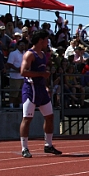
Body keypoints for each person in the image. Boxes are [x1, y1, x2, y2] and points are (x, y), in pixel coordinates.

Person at [19, 30, 62, 158]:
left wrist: (46, 85)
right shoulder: (29, 54)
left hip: (41, 89)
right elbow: (23, 72)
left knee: (50, 116)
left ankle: (48, 145)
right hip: (30, 89)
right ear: (40, 40)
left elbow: (43, 73)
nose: (47, 42)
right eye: (46, 40)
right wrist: (41, 75)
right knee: (27, 118)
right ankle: (24, 148)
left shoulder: (43, 54)